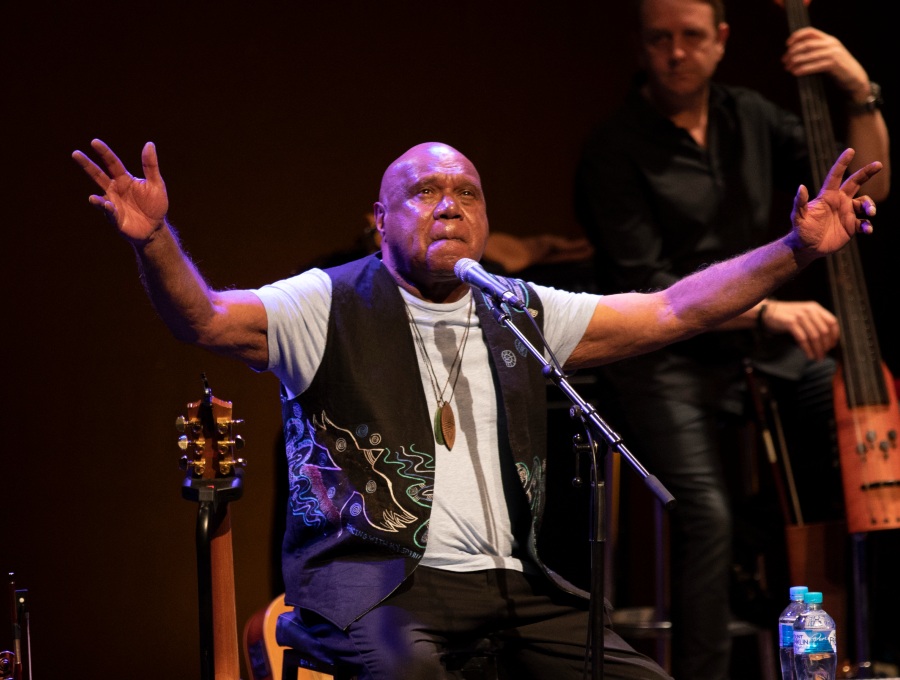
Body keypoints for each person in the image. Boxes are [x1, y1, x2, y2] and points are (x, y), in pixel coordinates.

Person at [72, 137, 880, 680]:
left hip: (516, 585)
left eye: (466, 192)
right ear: (379, 221)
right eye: (423, 192)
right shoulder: (325, 303)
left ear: (488, 220)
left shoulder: (519, 308)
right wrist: (154, 241)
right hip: (376, 586)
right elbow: (207, 317)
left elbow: (672, 310)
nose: (448, 204)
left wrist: (797, 250)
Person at [572, 0, 891, 677]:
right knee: (707, 517)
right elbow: (651, 291)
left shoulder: (750, 116)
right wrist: (770, 308)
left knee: (849, 435)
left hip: (754, 356)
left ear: (720, 41)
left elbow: (871, 186)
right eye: (661, 39)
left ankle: (845, 650)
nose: (677, 53)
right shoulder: (612, 148)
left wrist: (857, 88)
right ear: (641, 46)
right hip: (665, 361)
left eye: (692, 37)